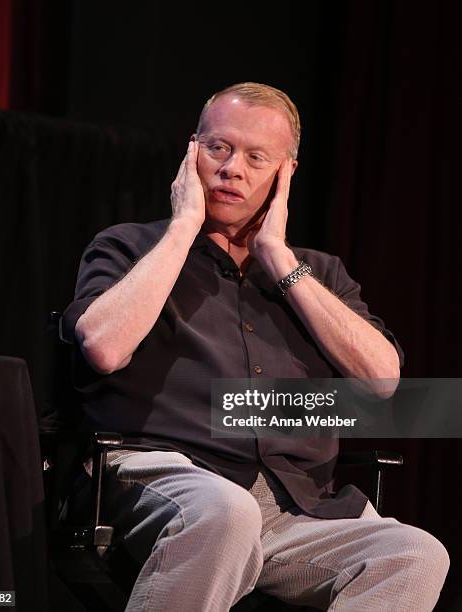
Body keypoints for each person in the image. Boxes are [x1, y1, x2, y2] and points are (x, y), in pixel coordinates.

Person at [62, 83, 449, 611]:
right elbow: (102, 348)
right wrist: (182, 229)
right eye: (218, 148)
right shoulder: (129, 246)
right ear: (191, 150)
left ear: (284, 172)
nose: (231, 168)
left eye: (255, 157)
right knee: (226, 512)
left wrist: (280, 260)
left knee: (413, 553)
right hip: (164, 476)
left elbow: (383, 382)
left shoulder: (321, 274)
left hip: (294, 504)